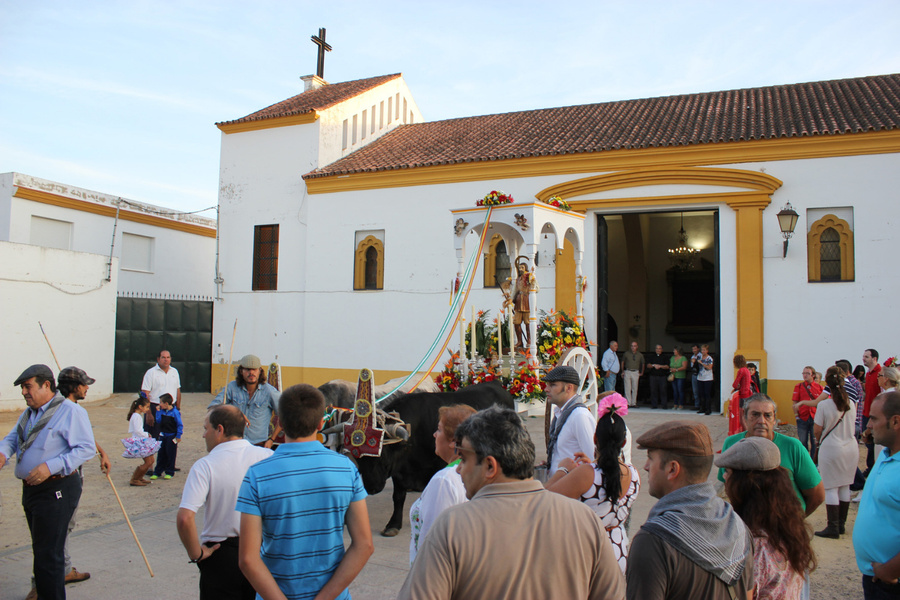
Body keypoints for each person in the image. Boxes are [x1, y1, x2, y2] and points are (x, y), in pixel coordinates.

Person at [399, 406, 625, 600]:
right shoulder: (584, 520)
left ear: (490, 466)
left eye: (464, 458)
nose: (458, 468)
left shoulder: (452, 527)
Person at [237, 384, 373, 599]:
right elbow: (364, 545)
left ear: (279, 423)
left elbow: (247, 559)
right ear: (321, 422)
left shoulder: (257, 475)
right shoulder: (347, 469)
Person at [627, 421, 754, 600]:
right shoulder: (737, 527)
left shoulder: (653, 541)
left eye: (651, 458)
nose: (646, 466)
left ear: (672, 469)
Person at [0, 364, 96, 600]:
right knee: (42, 551)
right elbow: (13, 438)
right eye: (23, 388)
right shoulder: (30, 412)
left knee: (49, 556)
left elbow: (86, 449)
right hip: (32, 490)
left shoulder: (69, 411)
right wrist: (3, 453)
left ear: (46, 385)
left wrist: (49, 466)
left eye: (27, 386)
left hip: (56, 488)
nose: (24, 392)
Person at [177, 405, 273, 600]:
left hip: (221, 556)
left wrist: (196, 554)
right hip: (262, 552)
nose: (204, 435)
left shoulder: (206, 465)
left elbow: (185, 518)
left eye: (206, 428)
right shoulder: (268, 458)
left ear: (219, 430)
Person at [545, 392, 640, 573]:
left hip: (587, 555)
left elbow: (541, 500)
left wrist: (562, 471)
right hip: (617, 553)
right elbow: (607, 481)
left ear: (595, 439)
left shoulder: (588, 474)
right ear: (624, 442)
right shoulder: (634, 474)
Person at [716, 436, 817, 600]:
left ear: (745, 484)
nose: (725, 478)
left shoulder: (755, 545)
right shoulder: (789, 528)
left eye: (728, 472)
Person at [719, 394, 825, 517]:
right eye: (755, 415)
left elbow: (817, 495)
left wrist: (793, 523)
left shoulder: (793, 447)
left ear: (774, 419)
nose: (761, 421)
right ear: (744, 417)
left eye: (767, 415)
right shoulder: (732, 443)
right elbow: (728, 486)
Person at [53, 367, 108, 590]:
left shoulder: (72, 408)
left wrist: (102, 452)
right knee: (59, 527)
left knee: (66, 525)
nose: (87, 388)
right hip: (65, 477)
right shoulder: (66, 410)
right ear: (74, 387)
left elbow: (84, 438)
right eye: (84, 384)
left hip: (72, 475)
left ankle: (64, 568)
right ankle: (51, 577)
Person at [408, 404, 476, 563]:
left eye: (439, 430)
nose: (434, 434)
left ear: (454, 441)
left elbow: (433, 545)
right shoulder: (478, 472)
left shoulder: (444, 481)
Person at [853, 391, 900, 599]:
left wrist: (890, 570)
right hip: (876, 577)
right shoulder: (885, 454)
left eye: (873, 418)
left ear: (896, 421)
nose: (868, 425)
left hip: (890, 581)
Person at [813, 366, 858, 539]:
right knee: (845, 485)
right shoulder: (851, 404)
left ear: (827, 384)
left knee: (831, 487)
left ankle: (832, 526)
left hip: (831, 448)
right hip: (850, 446)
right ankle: (841, 525)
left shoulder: (824, 405)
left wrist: (819, 439)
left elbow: (817, 430)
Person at [209, 354, 281, 448]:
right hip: (234, 444)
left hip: (258, 445)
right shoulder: (231, 388)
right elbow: (212, 408)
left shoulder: (269, 391)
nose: (251, 373)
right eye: (247, 369)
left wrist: (272, 439)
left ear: (260, 371)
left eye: (254, 369)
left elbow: (285, 415)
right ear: (241, 371)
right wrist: (233, 412)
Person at [543, 365, 595, 474]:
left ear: (569, 388)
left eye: (552, 385)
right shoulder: (561, 413)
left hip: (572, 485)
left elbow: (592, 457)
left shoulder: (580, 416)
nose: (546, 389)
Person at [141, 349, 182, 440]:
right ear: (158, 359)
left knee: (170, 437)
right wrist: (149, 414)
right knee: (152, 438)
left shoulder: (174, 372)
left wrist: (178, 408)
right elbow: (145, 394)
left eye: (168, 357)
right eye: (163, 357)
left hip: (171, 409)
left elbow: (178, 390)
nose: (166, 360)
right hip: (155, 408)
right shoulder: (151, 373)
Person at [122, 395, 161, 486]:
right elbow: (137, 430)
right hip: (139, 442)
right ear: (140, 407)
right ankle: (135, 479)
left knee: (151, 460)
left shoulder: (137, 416)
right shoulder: (136, 416)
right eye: (147, 407)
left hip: (142, 440)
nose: (148, 409)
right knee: (148, 461)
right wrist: (147, 434)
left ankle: (139, 477)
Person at [151, 393, 183, 480]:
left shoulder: (175, 413)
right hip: (163, 435)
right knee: (161, 454)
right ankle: (157, 472)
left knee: (170, 454)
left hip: (171, 436)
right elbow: (158, 421)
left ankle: (169, 472)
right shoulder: (161, 411)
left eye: (161, 402)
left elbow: (179, 425)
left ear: (166, 403)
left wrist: (178, 435)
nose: (159, 404)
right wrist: (158, 412)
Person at [792, 366, 823, 456]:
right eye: (803, 373)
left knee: (815, 442)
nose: (805, 375)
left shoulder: (820, 388)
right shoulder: (799, 386)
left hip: (815, 417)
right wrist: (796, 416)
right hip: (803, 417)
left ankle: (813, 461)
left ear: (813, 375)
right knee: (802, 441)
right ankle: (804, 460)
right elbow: (795, 402)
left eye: (807, 373)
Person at [510, 256, 535, 353]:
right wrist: (511, 300)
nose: (520, 270)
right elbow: (515, 290)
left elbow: (536, 287)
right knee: (516, 322)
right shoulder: (518, 279)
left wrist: (531, 282)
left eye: (522, 268)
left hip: (527, 301)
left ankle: (529, 340)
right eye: (519, 268)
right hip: (518, 301)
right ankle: (519, 341)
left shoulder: (529, 277)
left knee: (528, 322)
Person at [863, 348, 882, 474]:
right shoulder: (868, 374)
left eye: (866, 357)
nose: (863, 358)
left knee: (876, 442)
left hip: (875, 414)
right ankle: (870, 467)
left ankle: (873, 468)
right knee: (868, 442)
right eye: (863, 356)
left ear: (874, 358)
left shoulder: (880, 373)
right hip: (866, 412)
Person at [729, 354, 752, 435]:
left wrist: (737, 386)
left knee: (741, 418)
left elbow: (735, 384)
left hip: (743, 395)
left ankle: (747, 434)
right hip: (748, 395)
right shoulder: (746, 370)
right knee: (745, 417)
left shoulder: (741, 371)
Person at [622, 341, 645, 407]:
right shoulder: (626, 354)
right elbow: (623, 362)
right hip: (628, 371)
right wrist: (623, 371)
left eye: (634, 346)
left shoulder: (640, 355)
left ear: (637, 347)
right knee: (627, 388)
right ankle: (628, 403)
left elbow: (643, 364)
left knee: (635, 388)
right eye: (632, 346)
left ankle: (634, 403)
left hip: (635, 372)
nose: (633, 347)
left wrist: (642, 372)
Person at [646, 344, 669, 409]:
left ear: (662, 349)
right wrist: (654, 365)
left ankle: (664, 405)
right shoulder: (652, 357)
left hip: (662, 376)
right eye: (657, 348)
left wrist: (660, 366)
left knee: (663, 391)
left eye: (659, 348)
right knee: (653, 391)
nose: (658, 350)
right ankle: (654, 405)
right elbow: (648, 365)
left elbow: (667, 366)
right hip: (653, 376)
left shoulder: (665, 357)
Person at [696, 344, 715, 415]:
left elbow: (709, 367)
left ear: (707, 351)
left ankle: (708, 409)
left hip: (708, 378)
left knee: (707, 394)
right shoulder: (699, 357)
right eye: (702, 350)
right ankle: (702, 408)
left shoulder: (709, 358)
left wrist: (702, 363)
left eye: (704, 350)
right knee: (701, 394)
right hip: (700, 377)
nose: (703, 351)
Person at [690, 344, 702, 409]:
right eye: (693, 349)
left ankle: (702, 405)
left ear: (698, 349)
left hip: (700, 374)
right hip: (694, 374)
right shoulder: (692, 357)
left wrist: (695, 362)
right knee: (695, 391)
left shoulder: (701, 356)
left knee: (700, 390)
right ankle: (696, 405)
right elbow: (692, 366)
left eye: (695, 349)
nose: (694, 350)